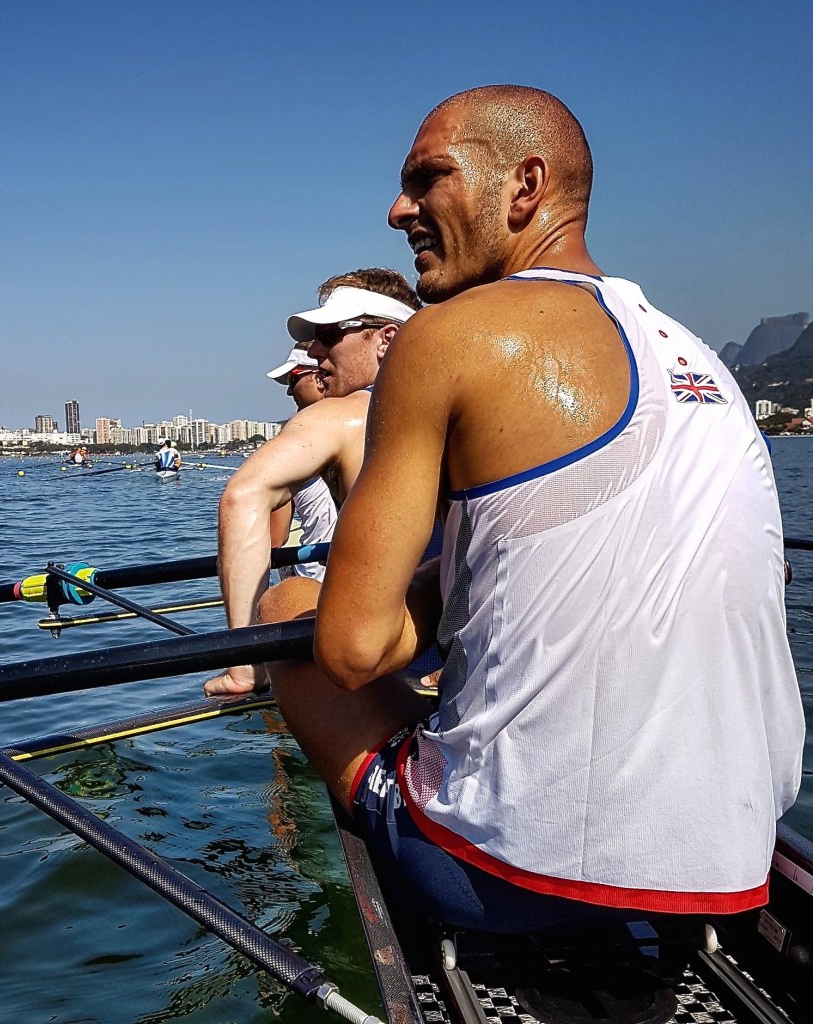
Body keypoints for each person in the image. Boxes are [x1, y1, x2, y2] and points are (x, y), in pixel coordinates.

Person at [261, 86, 805, 933]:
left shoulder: (448, 334)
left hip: (517, 877)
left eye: (428, 178)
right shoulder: (702, 358)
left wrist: (439, 604)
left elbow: (352, 649)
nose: (398, 209)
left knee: (287, 606)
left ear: (525, 186)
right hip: (737, 860)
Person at [203, 268, 419, 696]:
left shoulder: (342, 415)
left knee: (285, 599)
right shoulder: (461, 404)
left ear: (386, 339)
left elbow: (241, 498)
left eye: (330, 334)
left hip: (379, 676)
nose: (316, 350)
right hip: (452, 659)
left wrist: (246, 666)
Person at [264, 344, 338, 583]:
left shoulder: (291, 438)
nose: (289, 391)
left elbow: (276, 538)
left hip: (316, 579)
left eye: (293, 379)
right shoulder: (368, 422)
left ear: (319, 377)